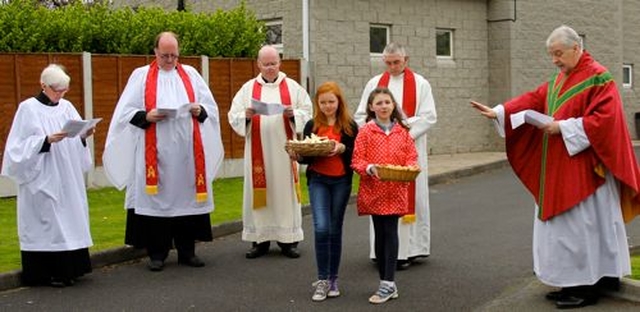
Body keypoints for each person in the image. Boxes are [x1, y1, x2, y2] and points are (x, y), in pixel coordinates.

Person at [470, 25, 640, 309]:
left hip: (587, 171)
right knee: (567, 230)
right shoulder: (561, 79)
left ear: (577, 48)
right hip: (560, 167)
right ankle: (574, 281)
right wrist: (500, 111)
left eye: (558, 54)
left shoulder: (600, 77)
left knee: (582, 228)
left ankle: (588, 286)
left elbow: (606, 121)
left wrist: (561, 126)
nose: (555, 60)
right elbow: (534, 99)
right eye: (552, 55)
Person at [103, 31, 224, 272]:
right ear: (155, 52)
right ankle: (157, 253)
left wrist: (199, 110)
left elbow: (210, 108)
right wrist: (146, 116)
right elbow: (124, 114)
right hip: (154, 154)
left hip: (188, 155)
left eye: (174, 55)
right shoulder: (140, 76)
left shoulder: (191, 74)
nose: (170, 60)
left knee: (187, 202)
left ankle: (187, 251)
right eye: (165, 55)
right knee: (157, 203)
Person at [1, 64, 95, 287]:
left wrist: (83, 135)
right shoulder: (28, 109)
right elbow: (16, 148)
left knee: (70, 217)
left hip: (67, 176)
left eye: (64, 90)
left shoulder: (67, 106)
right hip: (42, 176)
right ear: (43, 86)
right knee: (50, 221)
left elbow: (76, 135)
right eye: (57, 90)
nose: (61, 94)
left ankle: (73, 268)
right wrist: (45, 141)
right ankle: (48, 272)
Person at [354, 42, 437, 270]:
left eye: (396, 62)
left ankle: (411, 250)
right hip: (379, 150)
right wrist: (377, 130)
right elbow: (361, 115)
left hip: (408, 149)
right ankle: (380, 251)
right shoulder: (375, 84)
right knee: (381, 197)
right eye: (388, 62)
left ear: (406, 59)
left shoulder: (420, 84)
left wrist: (402, 130)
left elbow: (429, 116)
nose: (392, 66)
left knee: (412, 197)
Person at [228, 45, 313, 259]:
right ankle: (260, 240)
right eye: (265, 64)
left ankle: (288, 241)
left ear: (280, 62)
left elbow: (308, 111)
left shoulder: (292, 87)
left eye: (273, 63)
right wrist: (246, 115)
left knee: (284, 194)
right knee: (260, 194)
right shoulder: (248, 88)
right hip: (259, 153)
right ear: (258, 64)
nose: (270, 68)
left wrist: (293, 114)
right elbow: (233, 114)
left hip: (285, 153)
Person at [286, 81, 358, 301]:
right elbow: (308, 155)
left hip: (341, 182)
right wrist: (297, 155)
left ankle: (333, 278)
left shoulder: (349, 126)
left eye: (331, 101)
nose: (327, 106)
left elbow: (355, 154)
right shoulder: (312, 125)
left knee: (335, 230)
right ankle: (322, 279)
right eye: (323, 102)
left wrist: (343, 148)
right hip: (318, 180)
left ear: (339, 102)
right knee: (321, 228)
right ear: (318, 103)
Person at [351, 87, 419, 304]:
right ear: (371, 107)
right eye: (378, 103)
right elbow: (357, 161)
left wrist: (408, 168)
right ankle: (386, 282)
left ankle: (387, 284)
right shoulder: (365, 132)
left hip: (396, 190)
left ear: (393, 105)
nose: (383, 106)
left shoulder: (403, 132)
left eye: (387, 102)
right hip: (374, 191)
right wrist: (370, 168)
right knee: (380, 235)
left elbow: (412, 158)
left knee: (390, 233)